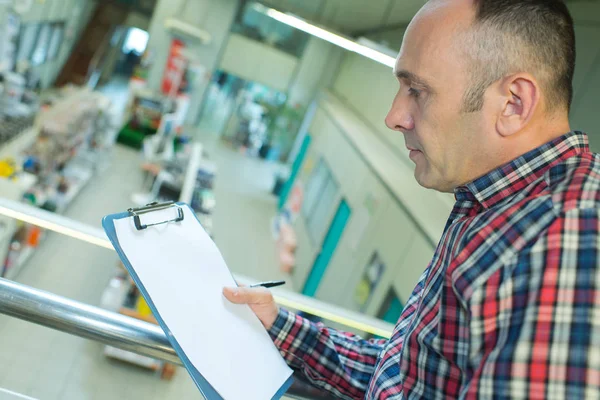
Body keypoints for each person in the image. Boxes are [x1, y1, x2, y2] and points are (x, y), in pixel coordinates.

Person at [224, 0, 600, 398]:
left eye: (416, 90)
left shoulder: (566, 242)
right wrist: (280, 326)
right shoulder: (493, 207)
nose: (394, 116)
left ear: (513, 104)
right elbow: (411, 377)